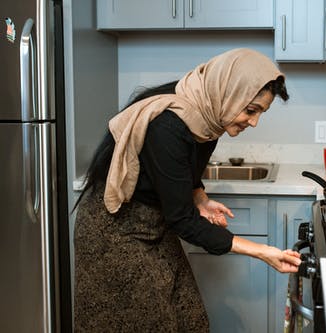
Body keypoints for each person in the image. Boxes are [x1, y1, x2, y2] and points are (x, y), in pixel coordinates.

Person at [73, 48, 302, 332]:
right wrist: (262, 251)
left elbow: (184, 171)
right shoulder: (168, 124)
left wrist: (201, 199)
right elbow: (183, 220)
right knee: (149, 323)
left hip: (155, 225)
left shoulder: (210, 119)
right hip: (115, 232)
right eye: (251, 110)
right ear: (229, 94)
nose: (253, 122)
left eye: (260, 113)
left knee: (190, 318)